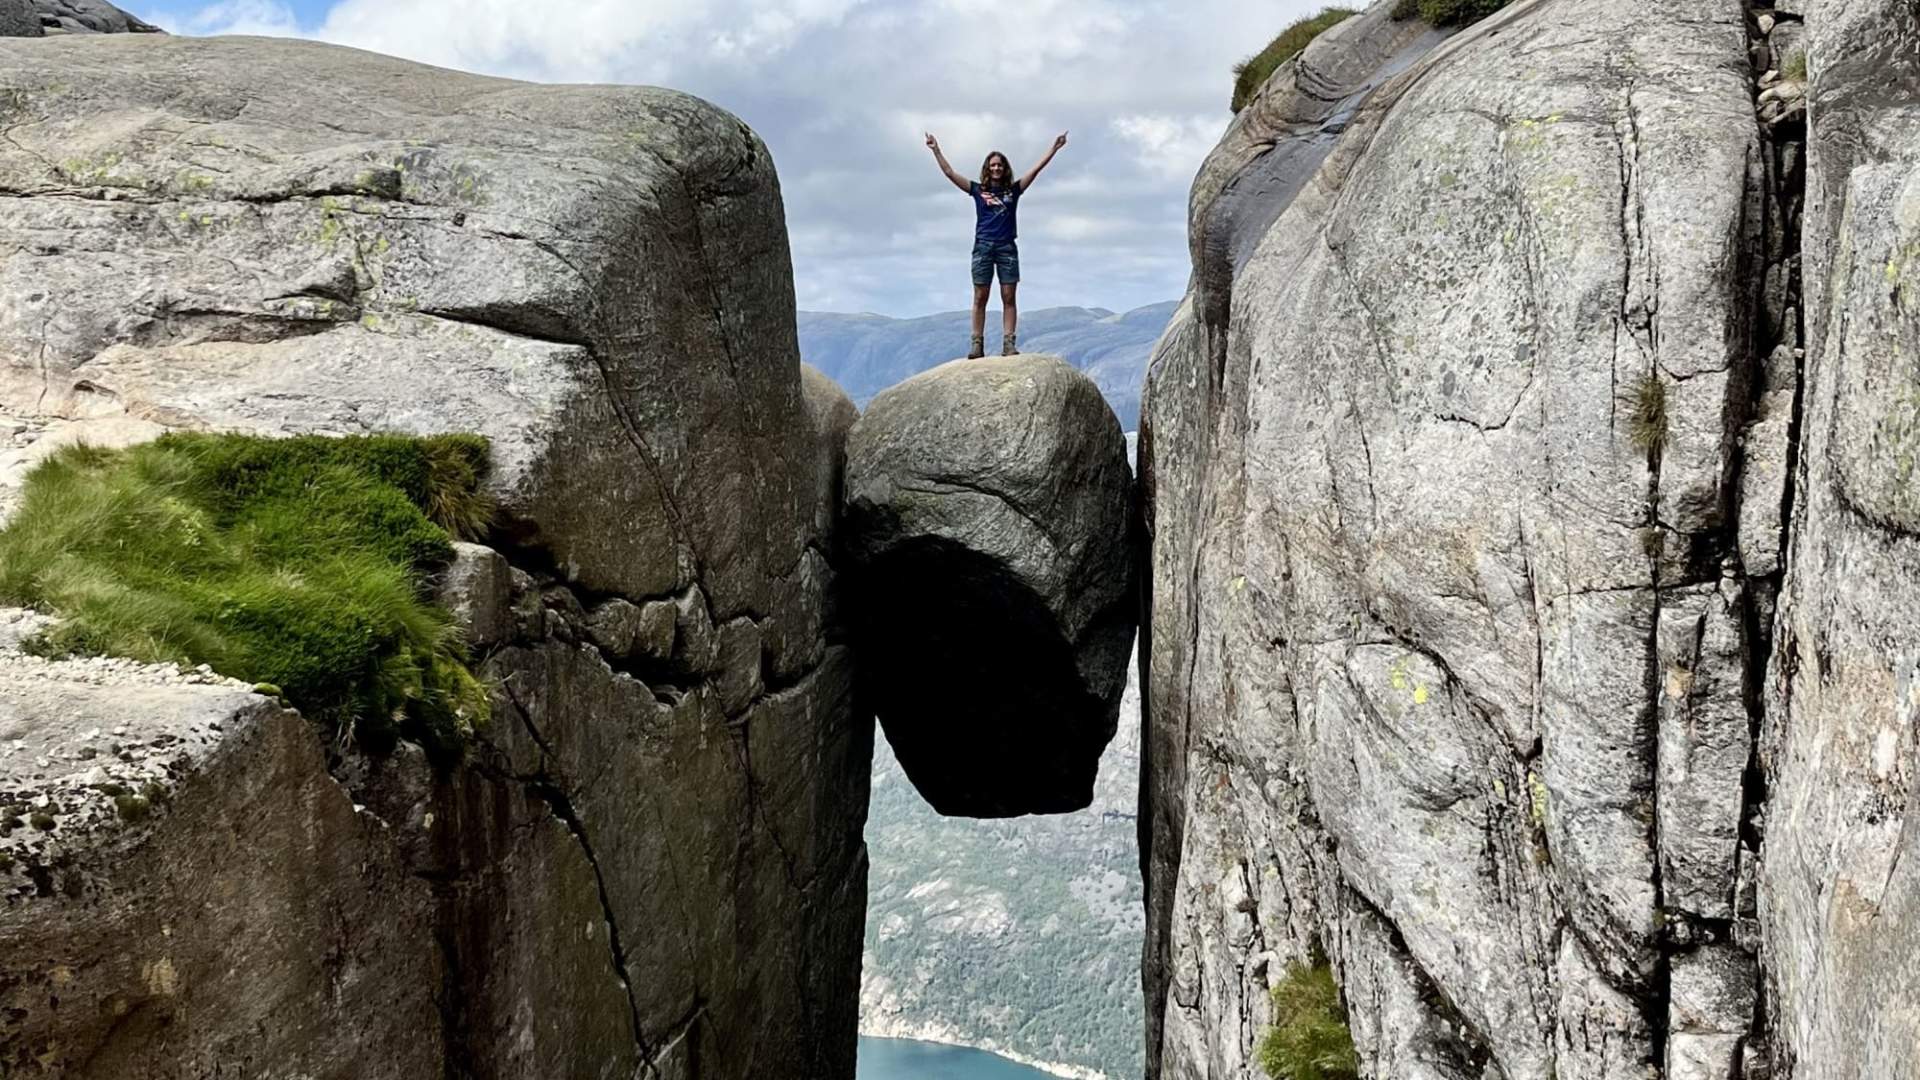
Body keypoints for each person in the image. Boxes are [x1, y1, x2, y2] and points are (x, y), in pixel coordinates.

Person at [924, 131, 1069, 358]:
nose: (996, 169)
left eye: (999, 165)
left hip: (1006, 247)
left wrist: (1055, 148)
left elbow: (1036, 170)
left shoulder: (1013, 191)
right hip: (983, 246)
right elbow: (950, 173)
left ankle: (1008, 343)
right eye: (992, 165)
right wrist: (936, 150)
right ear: (987, 168)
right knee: (980, 296)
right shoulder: (977, 190)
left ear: (1005, 168)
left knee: (1008, 296)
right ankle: (977, 343)